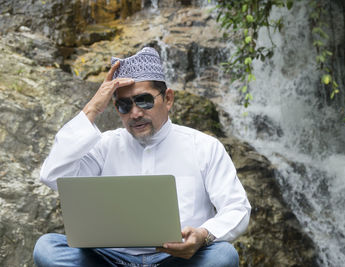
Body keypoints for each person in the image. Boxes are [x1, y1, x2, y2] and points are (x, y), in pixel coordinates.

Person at [33, 47, 251, 267]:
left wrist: (203, 235)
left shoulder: (204, 147)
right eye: (124, 105)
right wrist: (91, 109)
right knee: (47, 248)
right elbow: (53, 176)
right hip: (108, 259)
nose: (135, 113)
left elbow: (237, 208)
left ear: (168, 99)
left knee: (223, 255)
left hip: (177, 260)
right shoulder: (104, 146)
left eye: (144, 100)